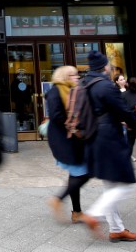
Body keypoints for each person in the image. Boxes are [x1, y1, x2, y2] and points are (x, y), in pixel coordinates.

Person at [78, 50, 136, 243]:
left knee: (110, 186)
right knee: (126, 184)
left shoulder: (83, 84)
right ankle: (93, 214)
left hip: (92, 137)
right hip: (109, 138)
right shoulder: (105, 86)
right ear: (105, 66)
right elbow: (122, 111)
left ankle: (116, 229)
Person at [45, 65, 90, 224]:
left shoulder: (72, 90)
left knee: (76, 175)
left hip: (72, 139)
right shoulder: (56, 91)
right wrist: (73, 125)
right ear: (64, 76)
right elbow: (56, 115)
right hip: (64, 140)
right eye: (73, 75)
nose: (77, 77)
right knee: (83, 173)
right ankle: (58, 199)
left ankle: (76, 211)